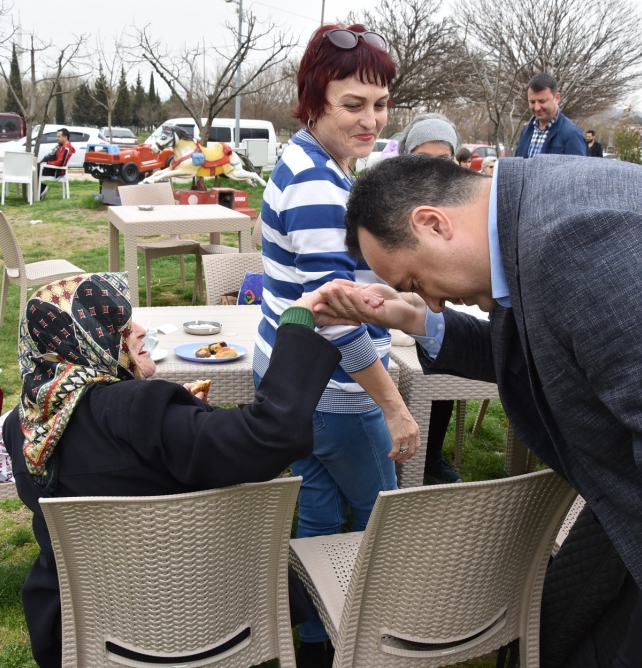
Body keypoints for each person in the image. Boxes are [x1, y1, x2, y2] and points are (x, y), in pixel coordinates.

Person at [317, 154, 642, 668]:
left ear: (433, 223)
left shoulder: (579, 239)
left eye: (415, 282)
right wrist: (416, 319)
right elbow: (553, 350)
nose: (434, 302)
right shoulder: (535, 210)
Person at [4, 272, 345, 668]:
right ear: (89, 337)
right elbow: (269, 437)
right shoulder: (137, 410)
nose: (141, 330)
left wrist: (178, 420)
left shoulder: (23, 425)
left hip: (83, 624)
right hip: (205, 609)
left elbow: (108, 464)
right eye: (122, 325)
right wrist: (298, 321)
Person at [254, 23, 418, 667]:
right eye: (353, 104)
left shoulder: (305, 158)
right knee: (381, 522)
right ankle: (372, 643)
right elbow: (338, 317)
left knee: (319, 520)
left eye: (380, 104)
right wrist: (394, 406)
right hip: (337, 391)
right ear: (313, 98)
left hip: (291, 384)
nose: (371, 120)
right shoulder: (320, 186)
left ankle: (316, 644)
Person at [395, 113, 463, 485]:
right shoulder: (389, 203)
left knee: (446, 360)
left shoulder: (460, 205)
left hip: (434, 314)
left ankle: (431, 455)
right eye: (424, 159)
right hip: (388, 318)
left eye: (444, 160)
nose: (434, 170)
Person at [514, 73, 586, 158]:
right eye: (532, 102)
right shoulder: (526, 132)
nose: (537, 108)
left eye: (542, 101)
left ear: (557, 98)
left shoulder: (572, 134)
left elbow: (578, 170)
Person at [37, 128, 75, 200]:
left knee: (34, 171)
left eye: (59, 137)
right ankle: (37, 192)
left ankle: (42, 189)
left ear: (65, 137)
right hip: (49, 167)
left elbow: (60, 163)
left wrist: (47, 163)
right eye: (56, 136)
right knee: (33, 168)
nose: (56, 138)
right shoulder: (61, 146)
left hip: (56, 171)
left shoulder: (66, 148)